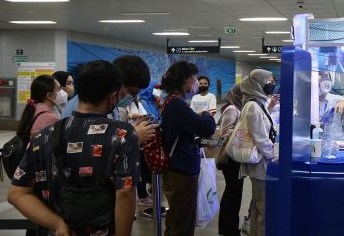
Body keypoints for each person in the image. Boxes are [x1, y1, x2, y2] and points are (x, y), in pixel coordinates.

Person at [7, 60, 140, 236]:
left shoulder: (45, 135)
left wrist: (58, 225)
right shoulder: (123, 134)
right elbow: (125, 193)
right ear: (113, 96)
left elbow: (16, 194)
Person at [160, 61, 216, 236]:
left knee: (180, 218)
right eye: (194, 78)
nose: (197, 82)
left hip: (180, 167)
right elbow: (207, 128)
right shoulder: (177, 104)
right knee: (181, 222)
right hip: (181, 170)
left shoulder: (172, 102)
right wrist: (207, 114)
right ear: (185, 81)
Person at [61, 55, 157, 144]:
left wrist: (129, 130)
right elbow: (87, 148)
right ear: (119, 83)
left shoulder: (111, 106)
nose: (132, 98)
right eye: (132, 94)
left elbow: (107, 136)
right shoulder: (80, 108)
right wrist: (133, 138)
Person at [239, 69, 277, 236]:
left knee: (257, 206)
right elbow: (260, 138)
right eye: (268, 81)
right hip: (260, 164)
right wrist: (274, 155)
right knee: (264, 209)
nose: (271, 84)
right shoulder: (253, 106)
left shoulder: (259, 103)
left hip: (262, 162)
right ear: (257, 84)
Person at [218, 84, 245, 236]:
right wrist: (243, 133)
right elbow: (224, 133)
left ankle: (229, 227)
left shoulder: (239, 108)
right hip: (230, 158)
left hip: (236, 157)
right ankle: (228, 228)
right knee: (232, 193)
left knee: (234, 193)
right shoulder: (232, 109)